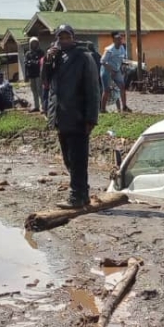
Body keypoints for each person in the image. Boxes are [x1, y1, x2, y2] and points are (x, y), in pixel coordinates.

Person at [46, 23, 100, 208]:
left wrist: (91, 118)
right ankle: (82, 193)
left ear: (73, 37)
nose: (64, 41)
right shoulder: (56, 58)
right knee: (68, 159)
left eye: (67, 37)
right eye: (61, 38)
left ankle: (76, 196)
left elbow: (93, 89)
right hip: (60, 117)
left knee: (78, 159)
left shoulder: (84, 57)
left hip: (78, 116)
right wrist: (47, 60)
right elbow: (46, 81)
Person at [100, 31, 131, 113]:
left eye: (121, 39)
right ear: (114, 40)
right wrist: (111, 70)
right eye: (118, 39)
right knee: (106, 90)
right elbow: (102, 61)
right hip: (106, 71)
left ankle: (124, 106)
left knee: (122, 87)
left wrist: (123, 66)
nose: (120, 41)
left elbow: (121, 59)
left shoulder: (122, 48)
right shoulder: (109, 50)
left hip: (116, 70)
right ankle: (103, 109)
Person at [23, 37, 45, 112]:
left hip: (39, 74)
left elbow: (41, 62)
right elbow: (26, 64)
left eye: (35, 42)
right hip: (31, 74)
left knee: (40, 90)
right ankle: (36, 106)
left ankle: (43, 107)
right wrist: (26, 76)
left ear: (38, 43)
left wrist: (32, 62)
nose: (34, 44)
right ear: (30, 44)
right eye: (32, 43)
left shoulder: (41, 52)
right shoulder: (28, 53)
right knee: (34, 90)